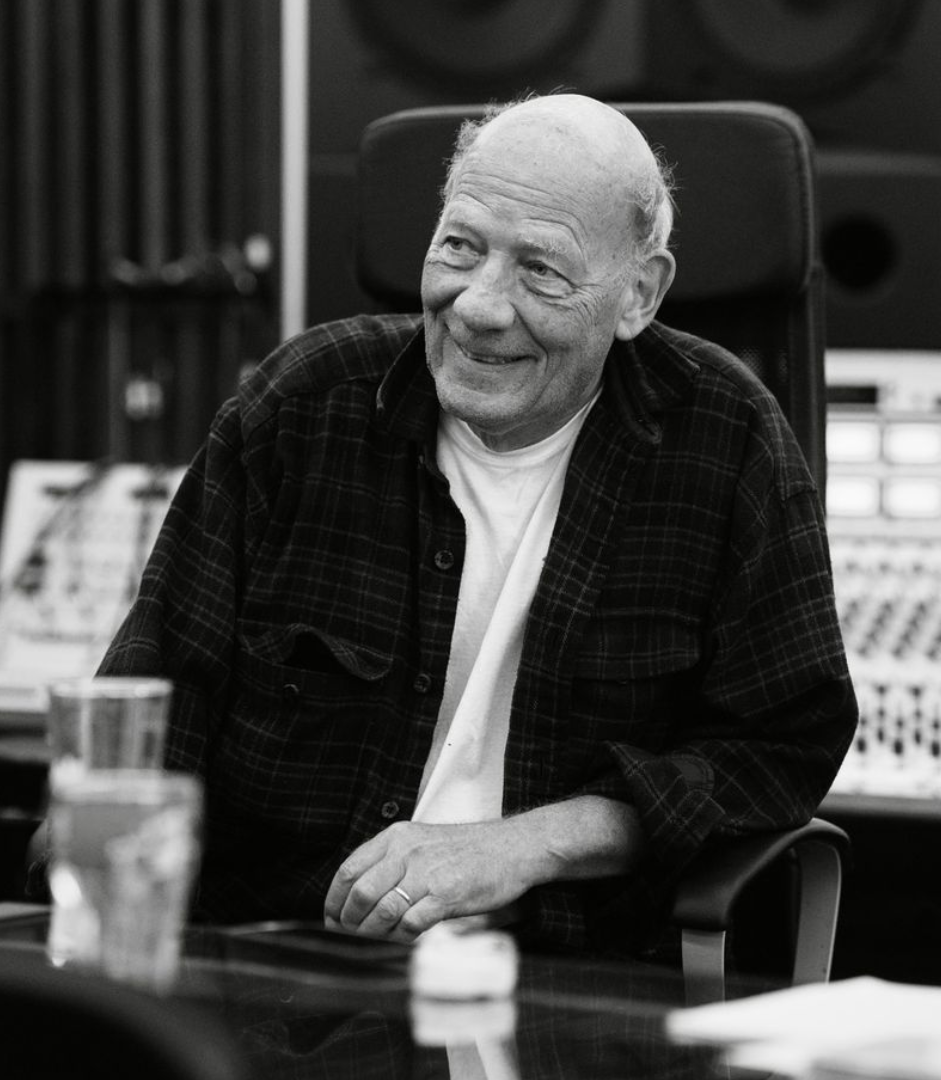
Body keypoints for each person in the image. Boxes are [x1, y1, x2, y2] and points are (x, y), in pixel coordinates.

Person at [94, 93, 857, 959]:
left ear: (639, 294)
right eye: (460, 246)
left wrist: (529, 845)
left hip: (559, 976)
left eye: (542, 270)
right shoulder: (299, 409)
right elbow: (146, 713)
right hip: (275, 959)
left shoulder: (727, 441)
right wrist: (108, 946)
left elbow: (781, 750)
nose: (479, 306)